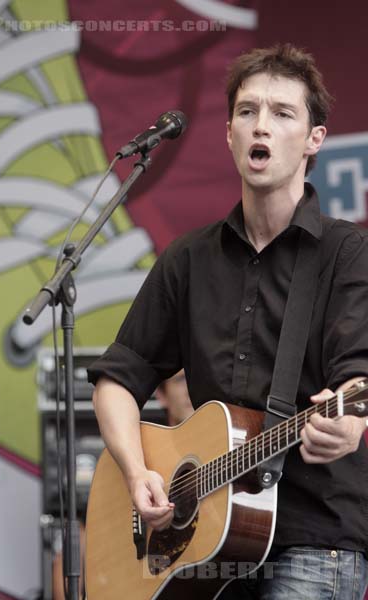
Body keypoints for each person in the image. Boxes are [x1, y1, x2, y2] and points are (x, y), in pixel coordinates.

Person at [88, 44, 368, 599]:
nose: (261, 125)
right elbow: (118, 378)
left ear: (315, 139)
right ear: (229, 133)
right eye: (247, 111)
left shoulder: (346, 253)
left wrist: (351, 423)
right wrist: (135, 470)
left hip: (312, 541)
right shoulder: (188, 259)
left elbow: (358, 382)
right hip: (206, 549)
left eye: (283, 113)